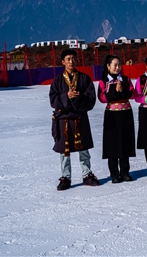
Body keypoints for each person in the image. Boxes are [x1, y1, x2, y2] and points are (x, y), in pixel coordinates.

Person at [49, 49, 99, 190]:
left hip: (80, 119)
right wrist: (66, 96)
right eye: (68, 59)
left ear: (77, 61)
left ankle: (87, 174)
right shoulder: (57, 81)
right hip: (63, 121)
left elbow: (91, 99)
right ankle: (66, 177)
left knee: (83, 148)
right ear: (63, 62)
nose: (71, 61)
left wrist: (76, 97)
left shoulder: (84, 79)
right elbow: (53, 100)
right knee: (65, 151)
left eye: (73, 58)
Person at [98, 54, 137, 183]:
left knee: (125, 143)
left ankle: (125, 172)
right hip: (112, 115)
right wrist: (115, 91)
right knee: (112, 144)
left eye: (119, 65)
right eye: (115, 65)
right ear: (108, 66)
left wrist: (122, 91)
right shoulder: (104, 81)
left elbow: (133, 93)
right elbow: (102, 98)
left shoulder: (125, 79)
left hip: (125, 113)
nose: (117, 67)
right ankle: (114, 174)